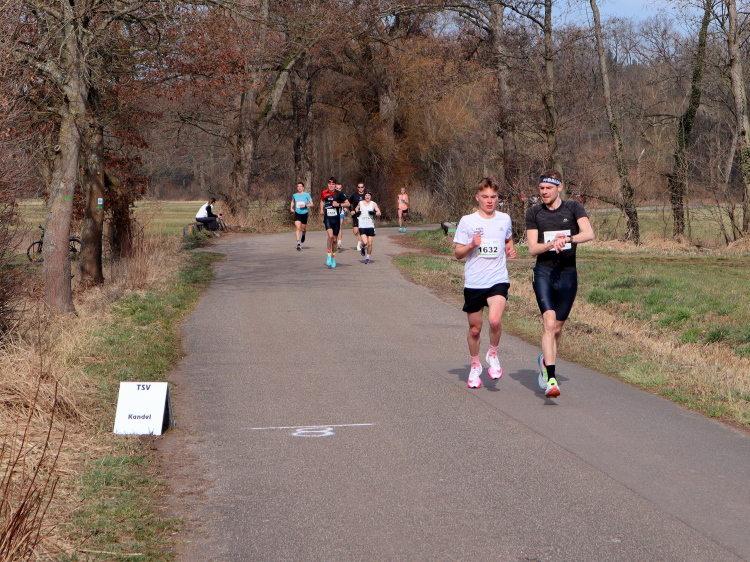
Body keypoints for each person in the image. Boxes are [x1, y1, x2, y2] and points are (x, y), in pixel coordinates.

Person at [526, 170, 595, 398]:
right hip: (544, 273)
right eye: (541, 188)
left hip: (567, 274)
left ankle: (544, 360)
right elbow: (532, 248)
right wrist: (550, 244)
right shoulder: (534, 212)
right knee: (549, 323)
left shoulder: (573, 207)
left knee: (557, 328)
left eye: (549, 188)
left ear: (559, 188)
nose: (544, 192)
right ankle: (551, 379)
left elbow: (588, 234)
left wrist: (567, 239)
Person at [453, 178, 516, 389]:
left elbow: (507, 239)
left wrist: (510, 248)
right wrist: (472, 244)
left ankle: (493, 353)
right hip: (474, 281)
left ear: (497, 198)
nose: (489, 201)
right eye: (485, 197)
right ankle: (475, 365)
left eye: (493, 197)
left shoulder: (504, 219)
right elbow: (458, 253)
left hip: (498, 279)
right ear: (477, 198)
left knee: (495, 321)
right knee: (475, 329)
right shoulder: (467, 221)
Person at [320, 177, 349, 268]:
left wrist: (339, 204)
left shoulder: (339, 194)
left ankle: (333, 257)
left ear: (335, 185)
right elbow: (322, 200)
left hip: (336, 218)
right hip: (328, 218)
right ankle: (329, 254)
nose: (331, 186)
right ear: (327, 184)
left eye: (333, 184)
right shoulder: (324, 192)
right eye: (330, 184)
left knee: (335, 239)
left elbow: (348, 203)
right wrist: (321, 209)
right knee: (330, 236)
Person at [353, 191, 381, 264]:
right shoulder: (361, 203)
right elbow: (356, 208)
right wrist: (357, 212)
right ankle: (362, 247)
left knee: (370, 243)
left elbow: (379, 213)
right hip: (362, 225)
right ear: (364, 196)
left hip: (370, 226)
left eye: (369, 195)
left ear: (370, 196)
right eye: (366, 195)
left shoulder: (373, 204)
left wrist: (374, 213)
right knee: (365, 242)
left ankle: (368, 258)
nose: (367, 197)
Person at [290, 182, 313, 251]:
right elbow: (292, 201)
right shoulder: (294, 195)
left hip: (304, 213)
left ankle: (303, 234)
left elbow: (311, 204)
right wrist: (291, 208)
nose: (299, 188)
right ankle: (298, 244)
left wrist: (305, 205)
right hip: (297, 213)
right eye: (298, 186)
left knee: (303, 229)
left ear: (303, 188)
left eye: (300, 186)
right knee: (298, 227)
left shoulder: (307, 195)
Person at [348, 182, 367, 252]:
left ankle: (359, 245)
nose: (360, 188)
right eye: (359, 187)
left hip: (364, 215)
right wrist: (351, 210)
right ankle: (360, 237)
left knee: (361, 230)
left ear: (364, 188)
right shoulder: (354, 195)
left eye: (362, 187)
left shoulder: (366, 195)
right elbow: (348, 203)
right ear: (357, 188)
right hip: (356, 215)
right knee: (355, 231)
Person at [335, 183, 347, 249]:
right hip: (333, 213)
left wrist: (345, 208)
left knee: (339, 226)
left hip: (341, 212)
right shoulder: (332, 195)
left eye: (340, 188)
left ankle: (339, 242)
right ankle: (334, 240)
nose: (338, 190)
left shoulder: (343, 195)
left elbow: (347, 203)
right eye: (337, 188)